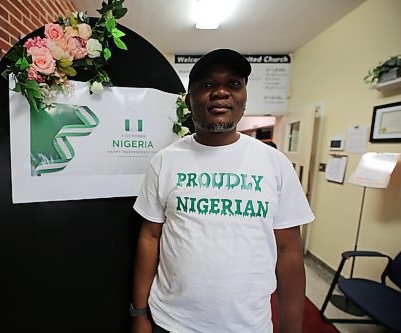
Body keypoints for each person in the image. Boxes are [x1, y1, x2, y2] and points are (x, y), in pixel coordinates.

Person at [130, 49, 314, 333]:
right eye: (206, 85)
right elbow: (150, 236)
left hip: (247, 325)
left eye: (233, 84)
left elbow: (288, 250)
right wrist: (139, 312)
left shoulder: (275, 164)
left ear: (243, 96)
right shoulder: (165, 161)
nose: (220, 92)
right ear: (189, 99)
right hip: (170, 323)